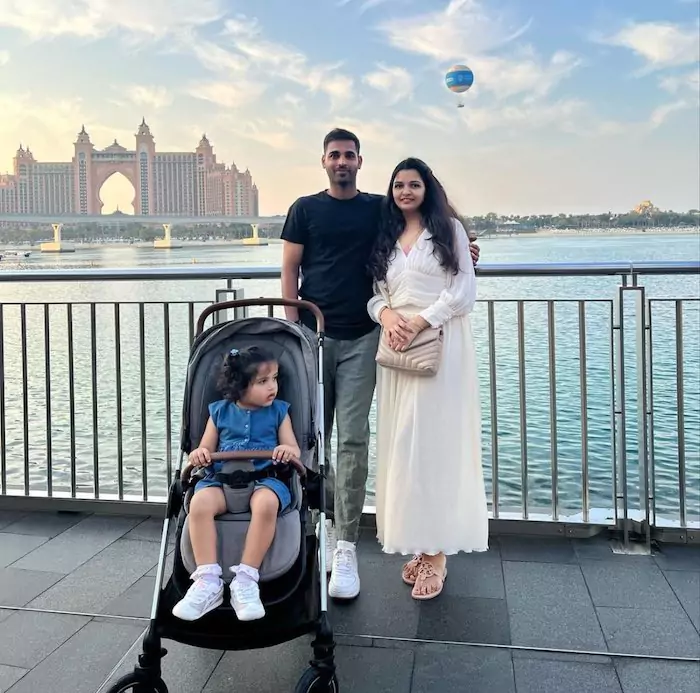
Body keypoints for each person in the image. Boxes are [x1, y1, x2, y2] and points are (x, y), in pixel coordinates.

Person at [280, 129, 481, 600]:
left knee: (353, 440)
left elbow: (435, 245)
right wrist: (293, 331)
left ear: (360, 161)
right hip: (316, 336)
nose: (342, 161)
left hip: (368, 340)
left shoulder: (380, 210)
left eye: (349, 155)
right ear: (324, 161)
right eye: (334, 155)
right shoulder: (304, 209)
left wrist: (468, 250)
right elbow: (290, 270)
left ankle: (346, 545)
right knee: (308, 439)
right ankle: (307, 532)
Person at [366, 157, 489, 601]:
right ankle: (420, 544)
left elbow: (464, 292)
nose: (405, 191)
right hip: (399, 353)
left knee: (435, 447)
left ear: (427, 188)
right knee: (404, 448)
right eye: (398, 184)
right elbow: (377, 295)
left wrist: (420, 321)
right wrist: (387, 316)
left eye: (413, 184)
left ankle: (436, 557)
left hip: (441, 346)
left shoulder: (449, 231)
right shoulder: (388, 236)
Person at [172, 345, 301, 622]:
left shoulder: (279, 411)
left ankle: (246, 578)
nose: (273, 387)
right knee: (199, 504)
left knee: (266, 503)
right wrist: (200, 454)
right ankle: (208, 579)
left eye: (275, 379)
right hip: (221, 480)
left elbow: (293, 447)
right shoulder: (218, 412)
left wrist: (287, 451)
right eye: (263, 381)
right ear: (239, 387)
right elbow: (204, 449)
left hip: (265, 479)